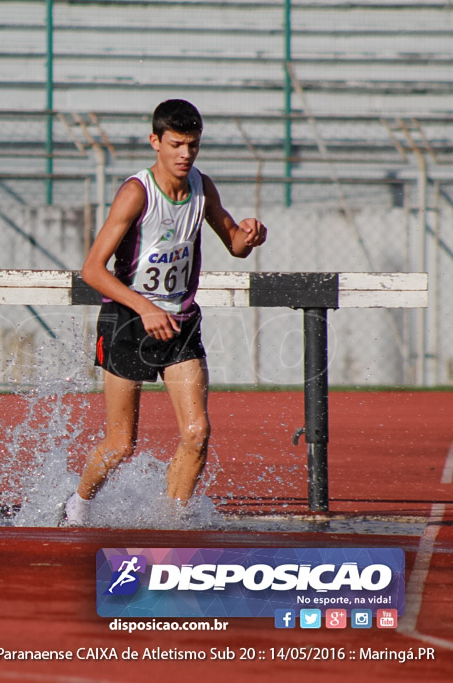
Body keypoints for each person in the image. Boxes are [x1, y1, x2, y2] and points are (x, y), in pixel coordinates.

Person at [64, 99, 267, 526]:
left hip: (181, 323)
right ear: (155, 141)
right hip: (127, 321)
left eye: (192, 145)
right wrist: (144, 306)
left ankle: (170, 524)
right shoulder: (136, 193)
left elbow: (234, 244)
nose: (184, 155)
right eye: (176, 144)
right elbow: (91, 270)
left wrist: (250, 235)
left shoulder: (202, 187)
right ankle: (77, 506)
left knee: (197, 434)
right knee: (121, 444)